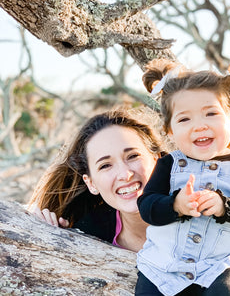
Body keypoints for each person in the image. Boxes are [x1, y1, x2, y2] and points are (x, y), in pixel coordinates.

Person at [135, 58, 230, 296]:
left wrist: (224, 205)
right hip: (165, 266)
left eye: (210, 113)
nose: (199, 126)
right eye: (184, 119)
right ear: (170, 129)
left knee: (228, 291)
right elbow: (147, 206)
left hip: (224, 266)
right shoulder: (170, 163)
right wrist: (175, 204)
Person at [28, 107, 166, 252]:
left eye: (132, 156)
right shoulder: (88, 234)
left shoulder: (190, 202)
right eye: (105, 165)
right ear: (91, 183)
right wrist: (45, 234)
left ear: (156, 158)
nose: (125, 175)